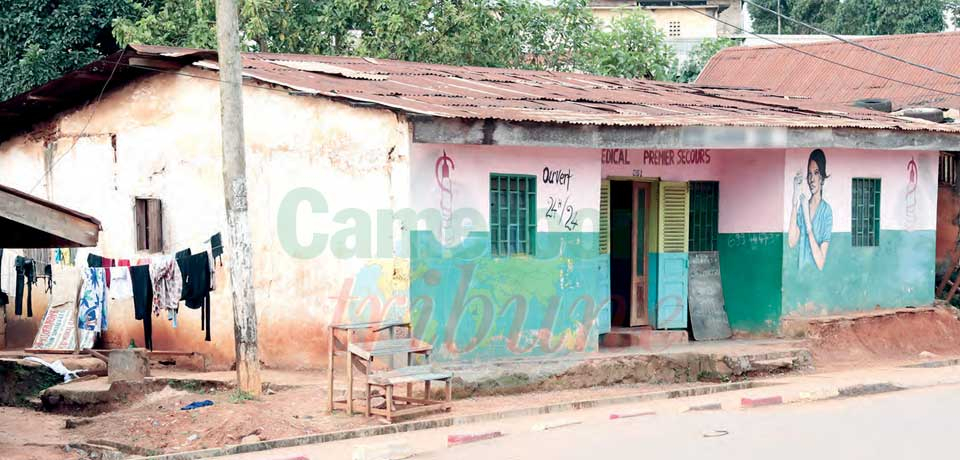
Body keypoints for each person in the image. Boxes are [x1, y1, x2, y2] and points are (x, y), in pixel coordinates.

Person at [788, 149, 833, 271]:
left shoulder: (826, 212)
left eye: (816, 173)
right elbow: (792, 242)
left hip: (816, 280)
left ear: (822, 178)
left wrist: (808, 226)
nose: (812, 179)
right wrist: (794, 202)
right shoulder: (803, 206)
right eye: (809, 174)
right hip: (800, 275)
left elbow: (820, 263)